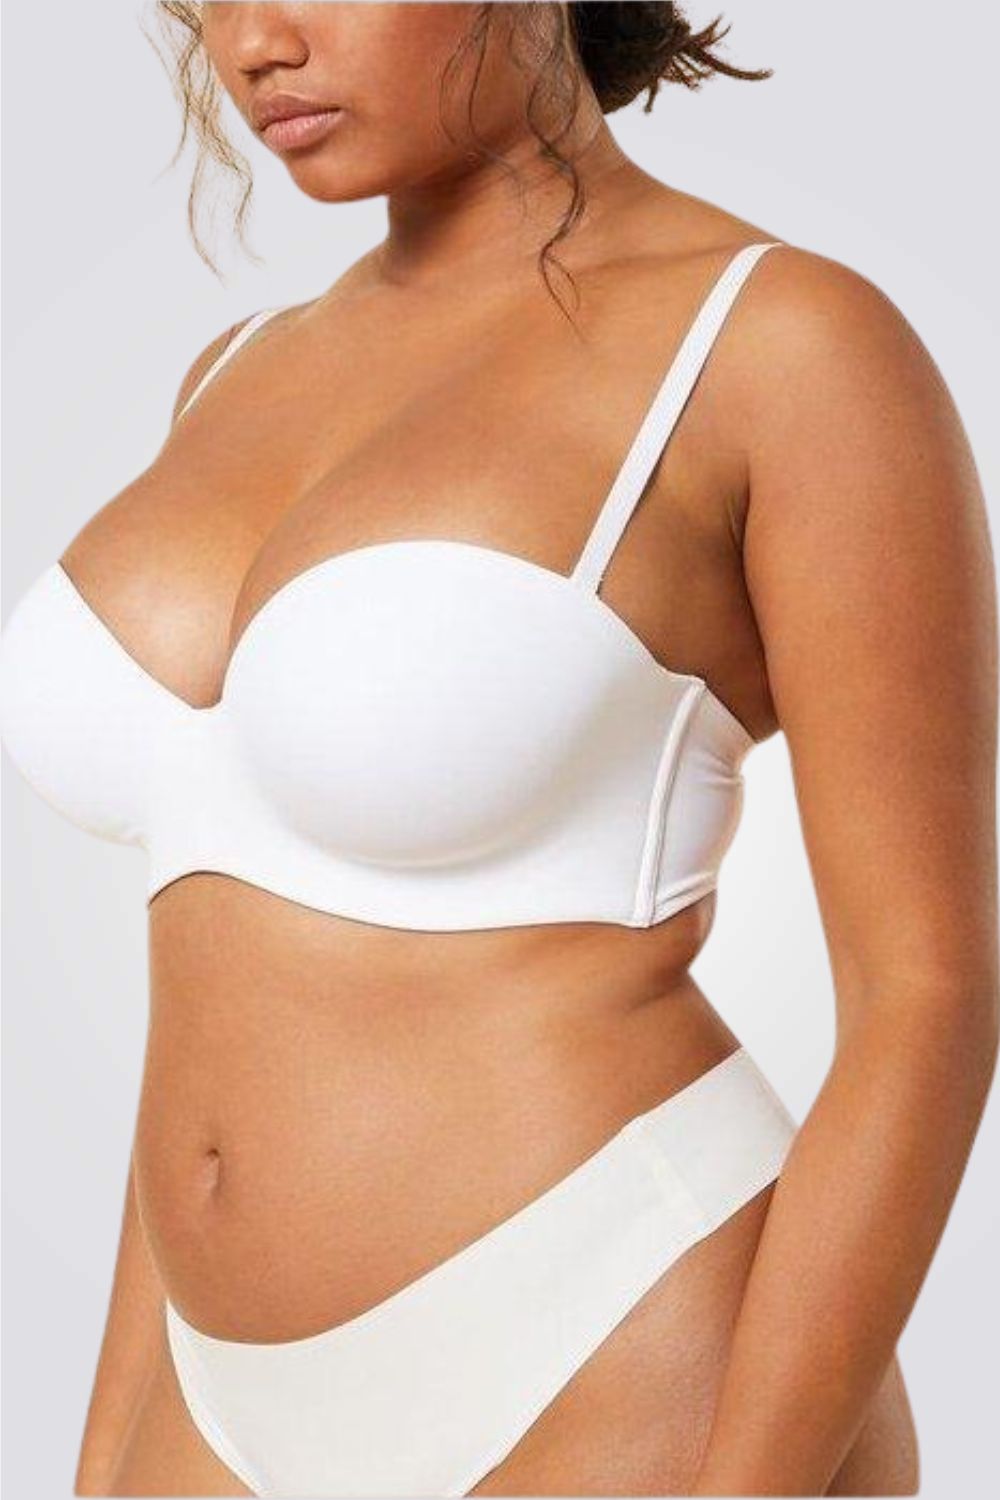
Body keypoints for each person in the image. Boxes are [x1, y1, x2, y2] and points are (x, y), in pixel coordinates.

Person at [1, 5, 996, 1496]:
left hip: (615, 1334)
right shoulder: (233, 370)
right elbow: (212, 950)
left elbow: (927, 994)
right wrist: (101, 1460)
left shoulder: (777, 341)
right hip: (206, 1393)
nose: (254, 41)